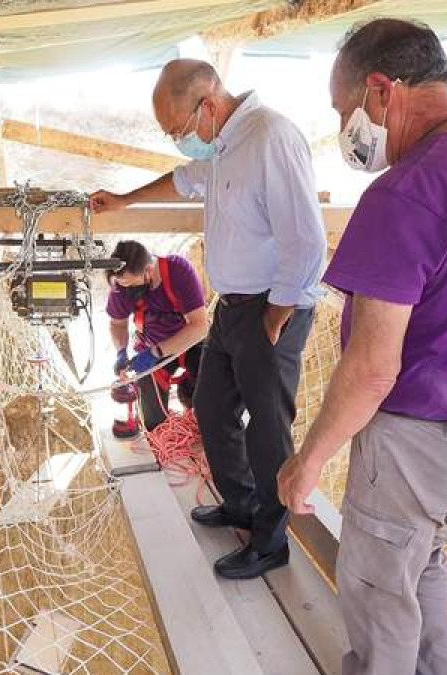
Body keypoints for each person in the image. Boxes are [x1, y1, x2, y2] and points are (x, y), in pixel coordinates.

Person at [276, 19, 447, 675]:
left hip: (413, 444)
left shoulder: (407, 192)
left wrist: (307, 459)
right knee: (422, 565)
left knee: (376, 600)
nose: (347, 128)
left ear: (380, 90)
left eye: (344, 111)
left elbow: (371, 368)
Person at [91, 59, 326, 580]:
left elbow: (308, 242)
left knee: (268, 430)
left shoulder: (271, 137)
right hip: (233, 307)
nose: (179, 140)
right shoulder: (221, 146)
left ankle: (270, 541)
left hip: (271, 308)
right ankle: (240, 506)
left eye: (178, 129)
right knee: (211, 405)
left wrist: (276, 316)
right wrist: (124, 201)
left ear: (208, 104)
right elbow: (182, 179)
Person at [106, 240, 208, 431]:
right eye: (122, 284)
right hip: (150, 347)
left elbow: (200, 326)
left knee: (209, 399)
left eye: (131, 284)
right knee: (153, 422)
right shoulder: (120, 284)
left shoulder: (178, 271)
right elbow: (117, 324)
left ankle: (200, 428)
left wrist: (156, 352)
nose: (125, 289)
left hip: (190, 343)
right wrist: (121, 352)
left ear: (148, 271)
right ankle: (161, 443)